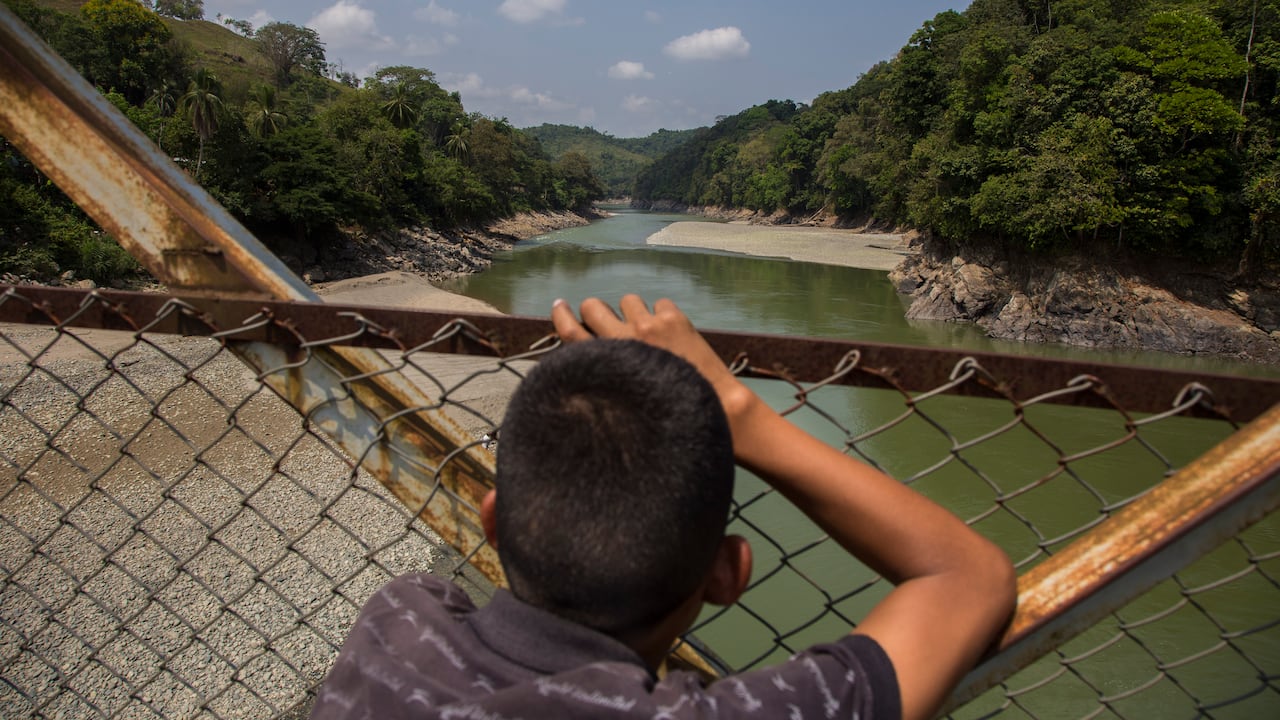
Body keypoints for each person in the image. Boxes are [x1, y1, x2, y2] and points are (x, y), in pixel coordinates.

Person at [311, 295, 1016, 720]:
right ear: (729, 574)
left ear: (492, 522)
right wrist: (741, 410)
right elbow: (967, 577)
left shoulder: (397, 624)